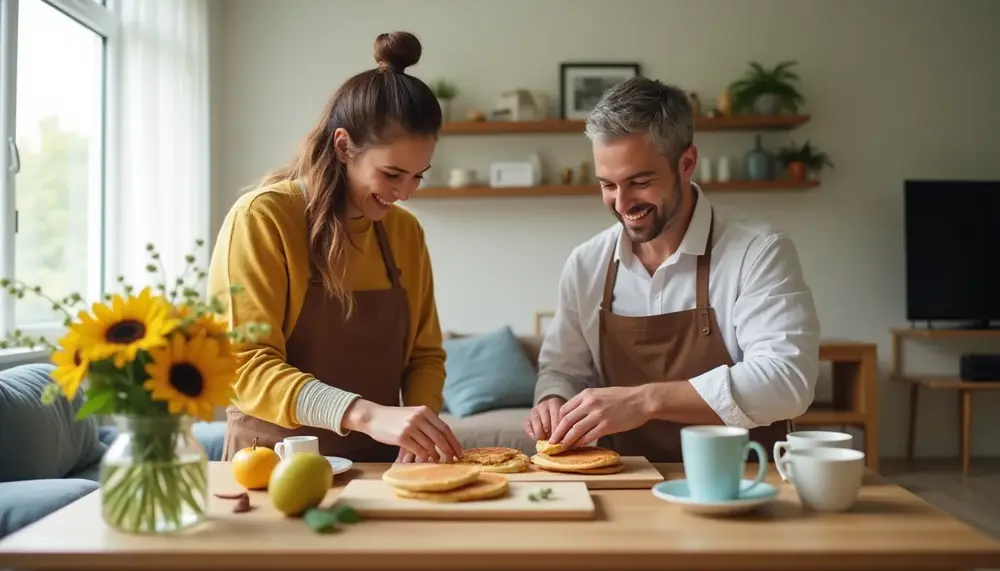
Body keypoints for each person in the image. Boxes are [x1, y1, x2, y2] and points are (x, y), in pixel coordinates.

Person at [525, 77, 821, 462]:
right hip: (624, 481)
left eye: (640, 182)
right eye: (607, 185)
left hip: (742, 481)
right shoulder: (586, 263)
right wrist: (553, 398)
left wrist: (648, 399)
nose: (622, 202)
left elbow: (787, 380)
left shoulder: (758, 251)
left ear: (687, 163)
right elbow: (563, 369)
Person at [209, 31, 463, 464]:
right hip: (273, 465)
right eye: (391, 174)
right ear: (344, 146)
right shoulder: (264, 218)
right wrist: (363, 413)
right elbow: (244, 365)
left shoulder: (405, 233)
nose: (405, 193)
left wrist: (416, 434)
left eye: (418, 176)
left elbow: (424, 355)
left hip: (380, 466)